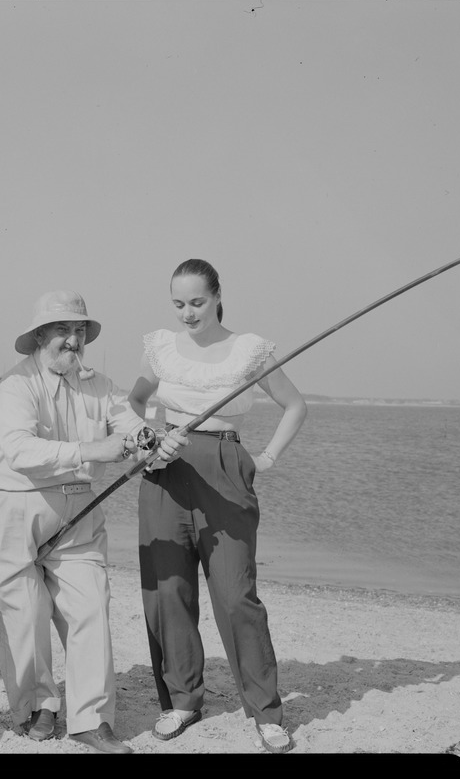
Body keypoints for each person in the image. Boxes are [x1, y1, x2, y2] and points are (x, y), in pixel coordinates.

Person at [0, 290, 185, 754]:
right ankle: (38, 706)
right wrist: (93, 451)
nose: (73, 340)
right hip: (15, 508)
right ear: (38, 337)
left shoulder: (100, 384)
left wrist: (154, 444)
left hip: (80, 509)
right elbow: (19, 450)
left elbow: (131, 428)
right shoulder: (14, 385)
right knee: (24, 617)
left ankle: (91, 721)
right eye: (62, 331)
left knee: (90, 610)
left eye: (80, 331)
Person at [127, 258, 308, 754]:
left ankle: (266, 712)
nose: (187, 313)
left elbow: (295, 405)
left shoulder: (249, 350)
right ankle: (183, 700)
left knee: (235, 596)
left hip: (225, 468)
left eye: (197, 302)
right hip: (166, 469)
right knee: (168, 590)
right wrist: (148, 441)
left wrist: (264, 457)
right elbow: (133, 403)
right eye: (179, 304)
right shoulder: (160, 348)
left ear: (217, 296)